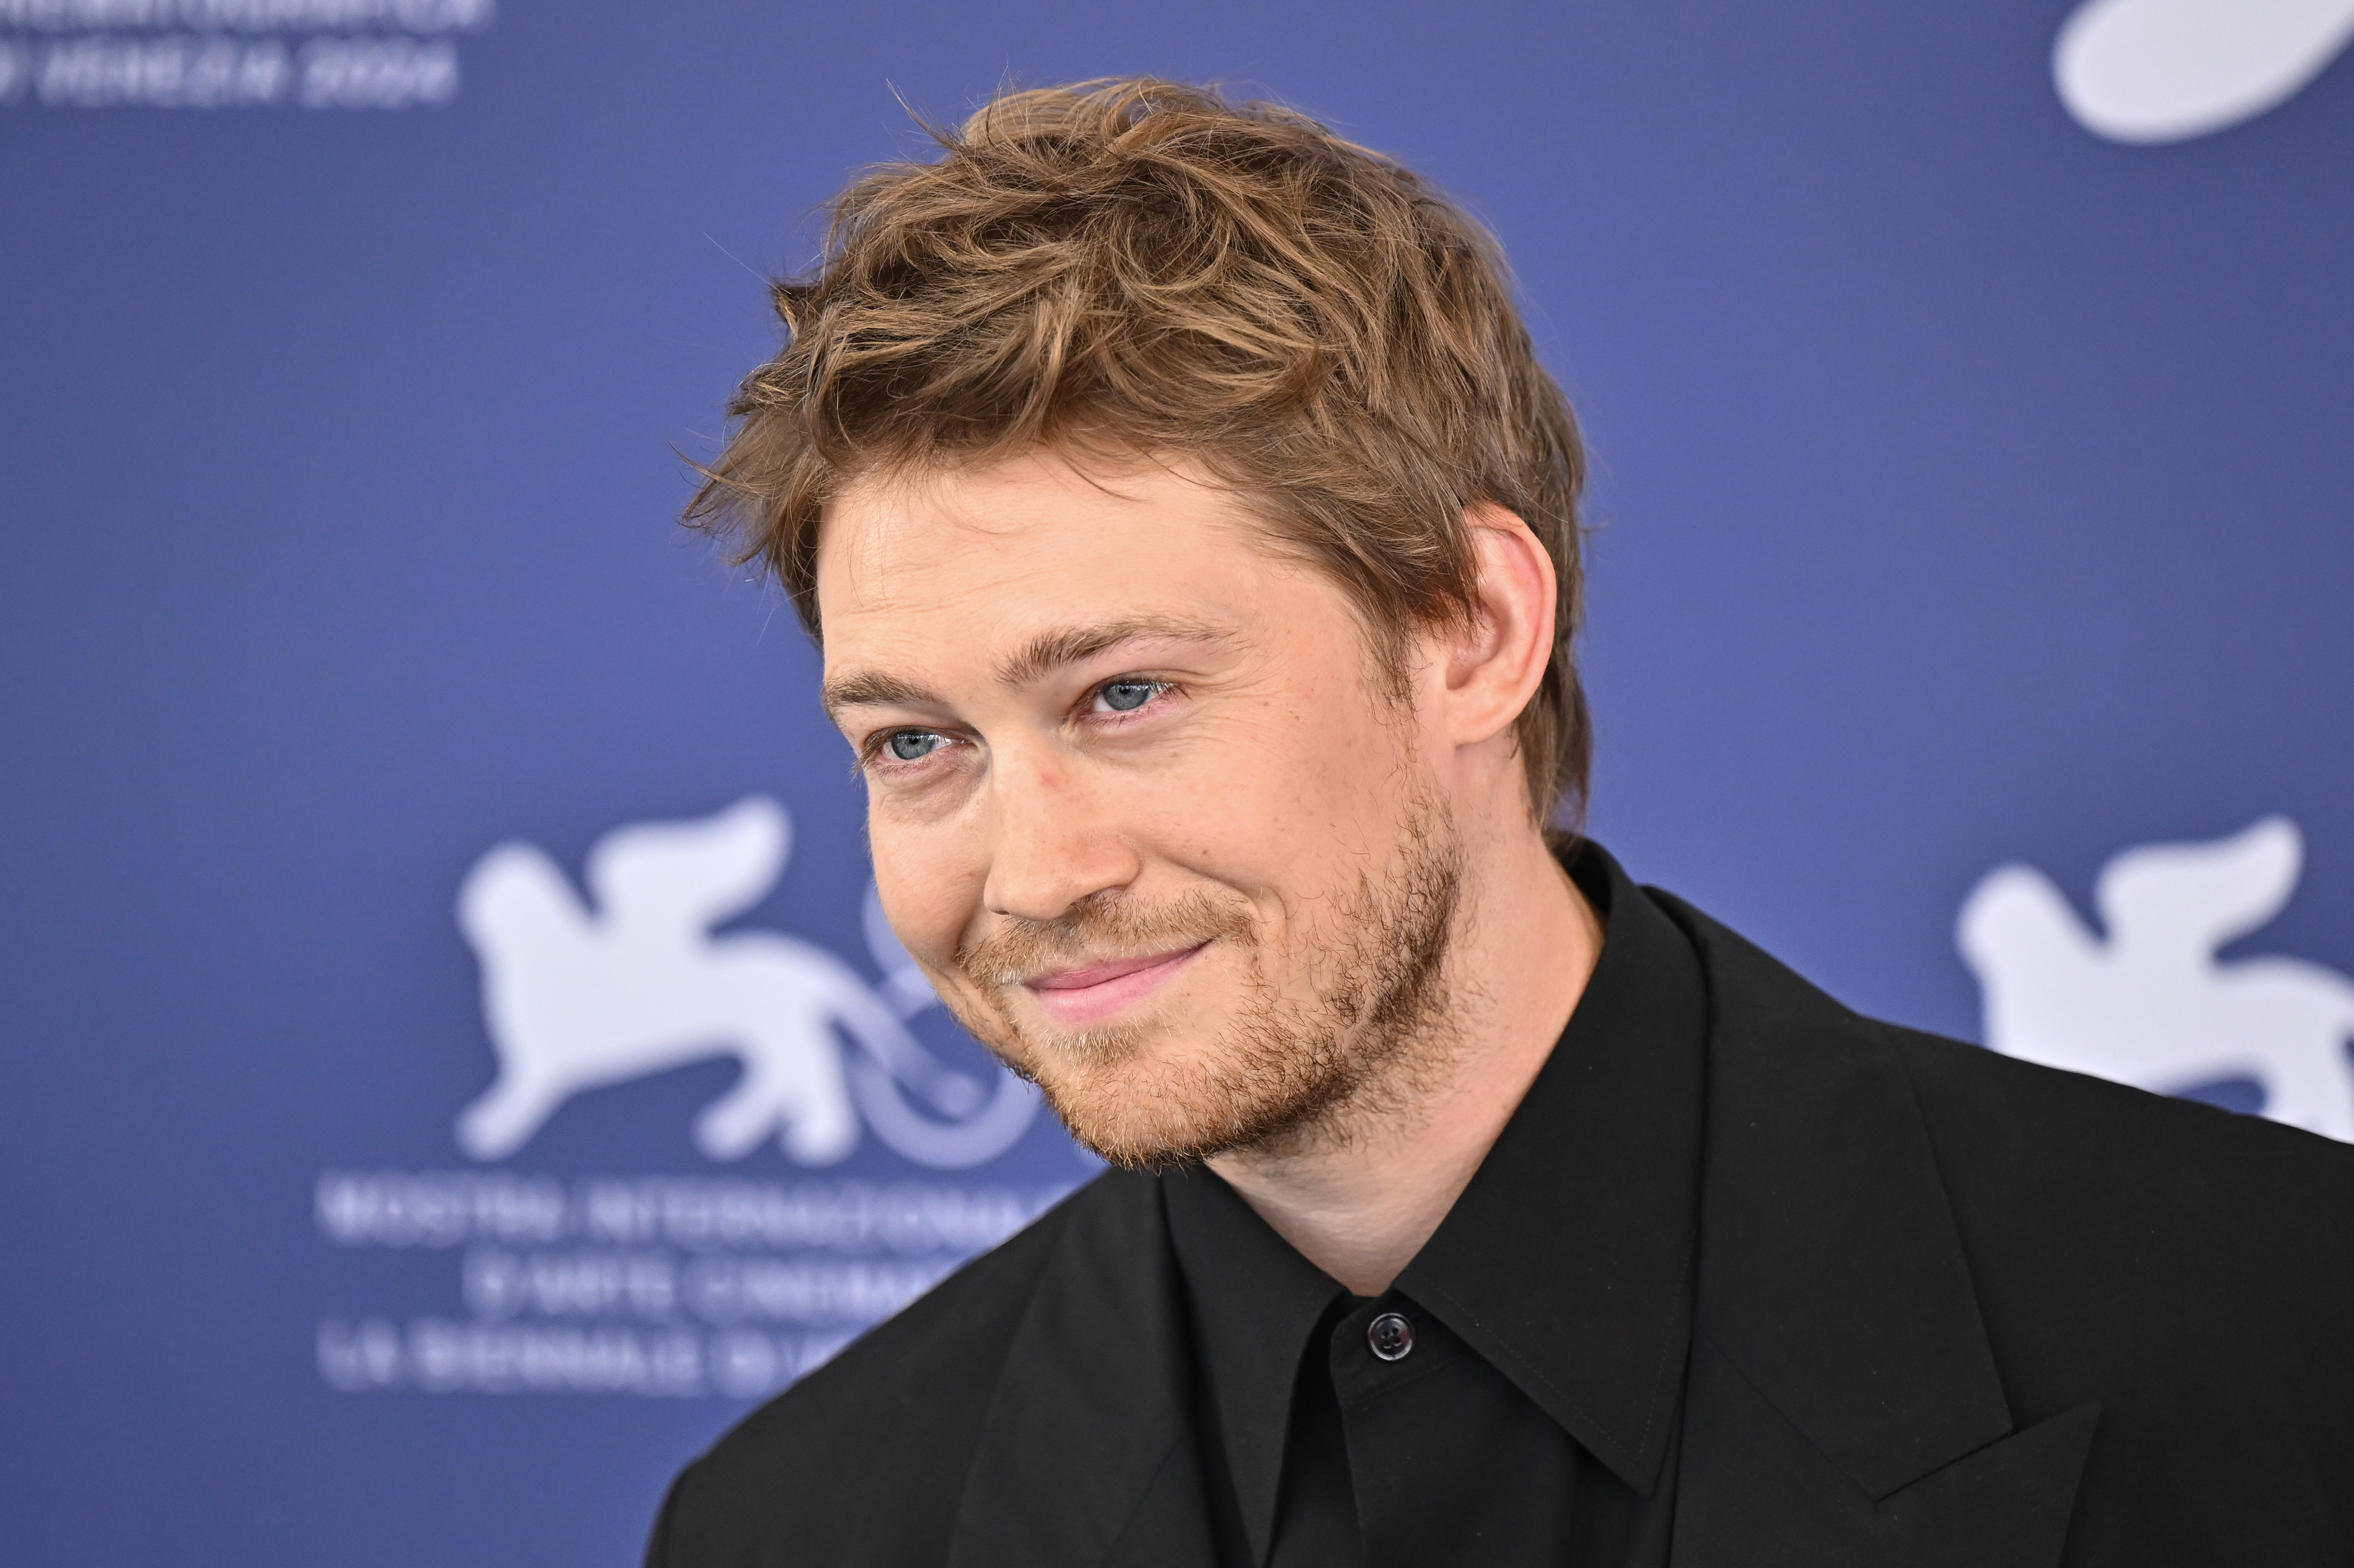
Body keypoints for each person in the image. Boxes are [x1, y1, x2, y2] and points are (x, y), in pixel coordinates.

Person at [644, 78, 2354, 1568]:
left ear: (1472, 626)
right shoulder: (799, 1524)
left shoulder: (2286, 1341)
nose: (1033, 874)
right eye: (917, 740)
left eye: (1126, 695)